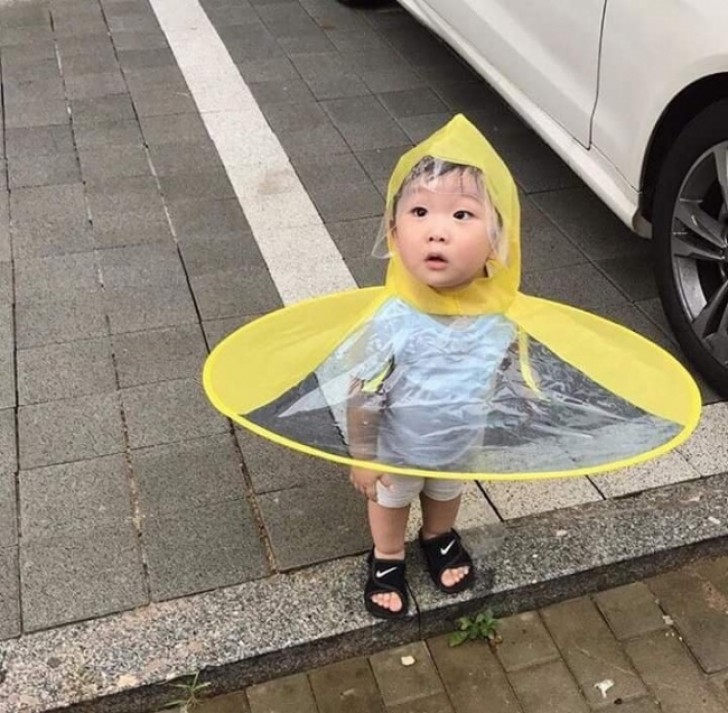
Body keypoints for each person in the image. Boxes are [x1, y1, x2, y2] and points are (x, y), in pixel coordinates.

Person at [346, 156, 515, 619]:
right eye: (420, 212)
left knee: (447, 491)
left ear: (497, 240)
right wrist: (363, 456)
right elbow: (363, 394)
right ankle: (388, 555)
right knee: (390, 500)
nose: (437, 231)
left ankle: (438, 536)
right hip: (395, 450)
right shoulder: (394, 320)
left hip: (458, 442)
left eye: (462, 214)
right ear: (394, 235)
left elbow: (503, 375)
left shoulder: (497, 319)